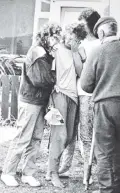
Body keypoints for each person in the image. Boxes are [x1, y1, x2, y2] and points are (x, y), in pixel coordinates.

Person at [1, 24, 61, 187]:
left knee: (36, 138)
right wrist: (55, 80)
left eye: (58, 37)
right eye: (54, 37)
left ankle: (28, 173)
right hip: (30, 100)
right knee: (23, 137)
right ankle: (8, 172)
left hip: (39, 100)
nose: (57, 41)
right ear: (46, 36)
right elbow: (39, 79)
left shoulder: (46, 53)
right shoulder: (38, 51)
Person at [81, 17, 120, 193]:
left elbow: (85, 85)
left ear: (101, 32)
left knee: (104, 149)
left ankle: (107, 189)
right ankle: (116, 186)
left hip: (105, 105)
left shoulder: (97, 51)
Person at [58, 8, 101, 185]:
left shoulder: (98, 45)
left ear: (91, 24)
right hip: (73, 93)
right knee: (69, 131)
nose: (80, 27)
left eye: (83, 24)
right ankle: (64, 167)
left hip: (88, 94)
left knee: (86, 134)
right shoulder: (78, 43)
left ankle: (88, 172)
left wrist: (76, 52)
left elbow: (82, 72)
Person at [46, 24, 82, 188]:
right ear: (66, 34)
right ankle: (53, 173)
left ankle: (51, 168)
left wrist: (75, 52)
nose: (72, 40)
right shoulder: (56, 49)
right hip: (59, 94)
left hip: (73, 97)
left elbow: (81, 73)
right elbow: (49, 71)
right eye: (70, 36)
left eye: (76, 39)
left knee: (68, 137)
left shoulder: (77, 51)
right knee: (59, 135)